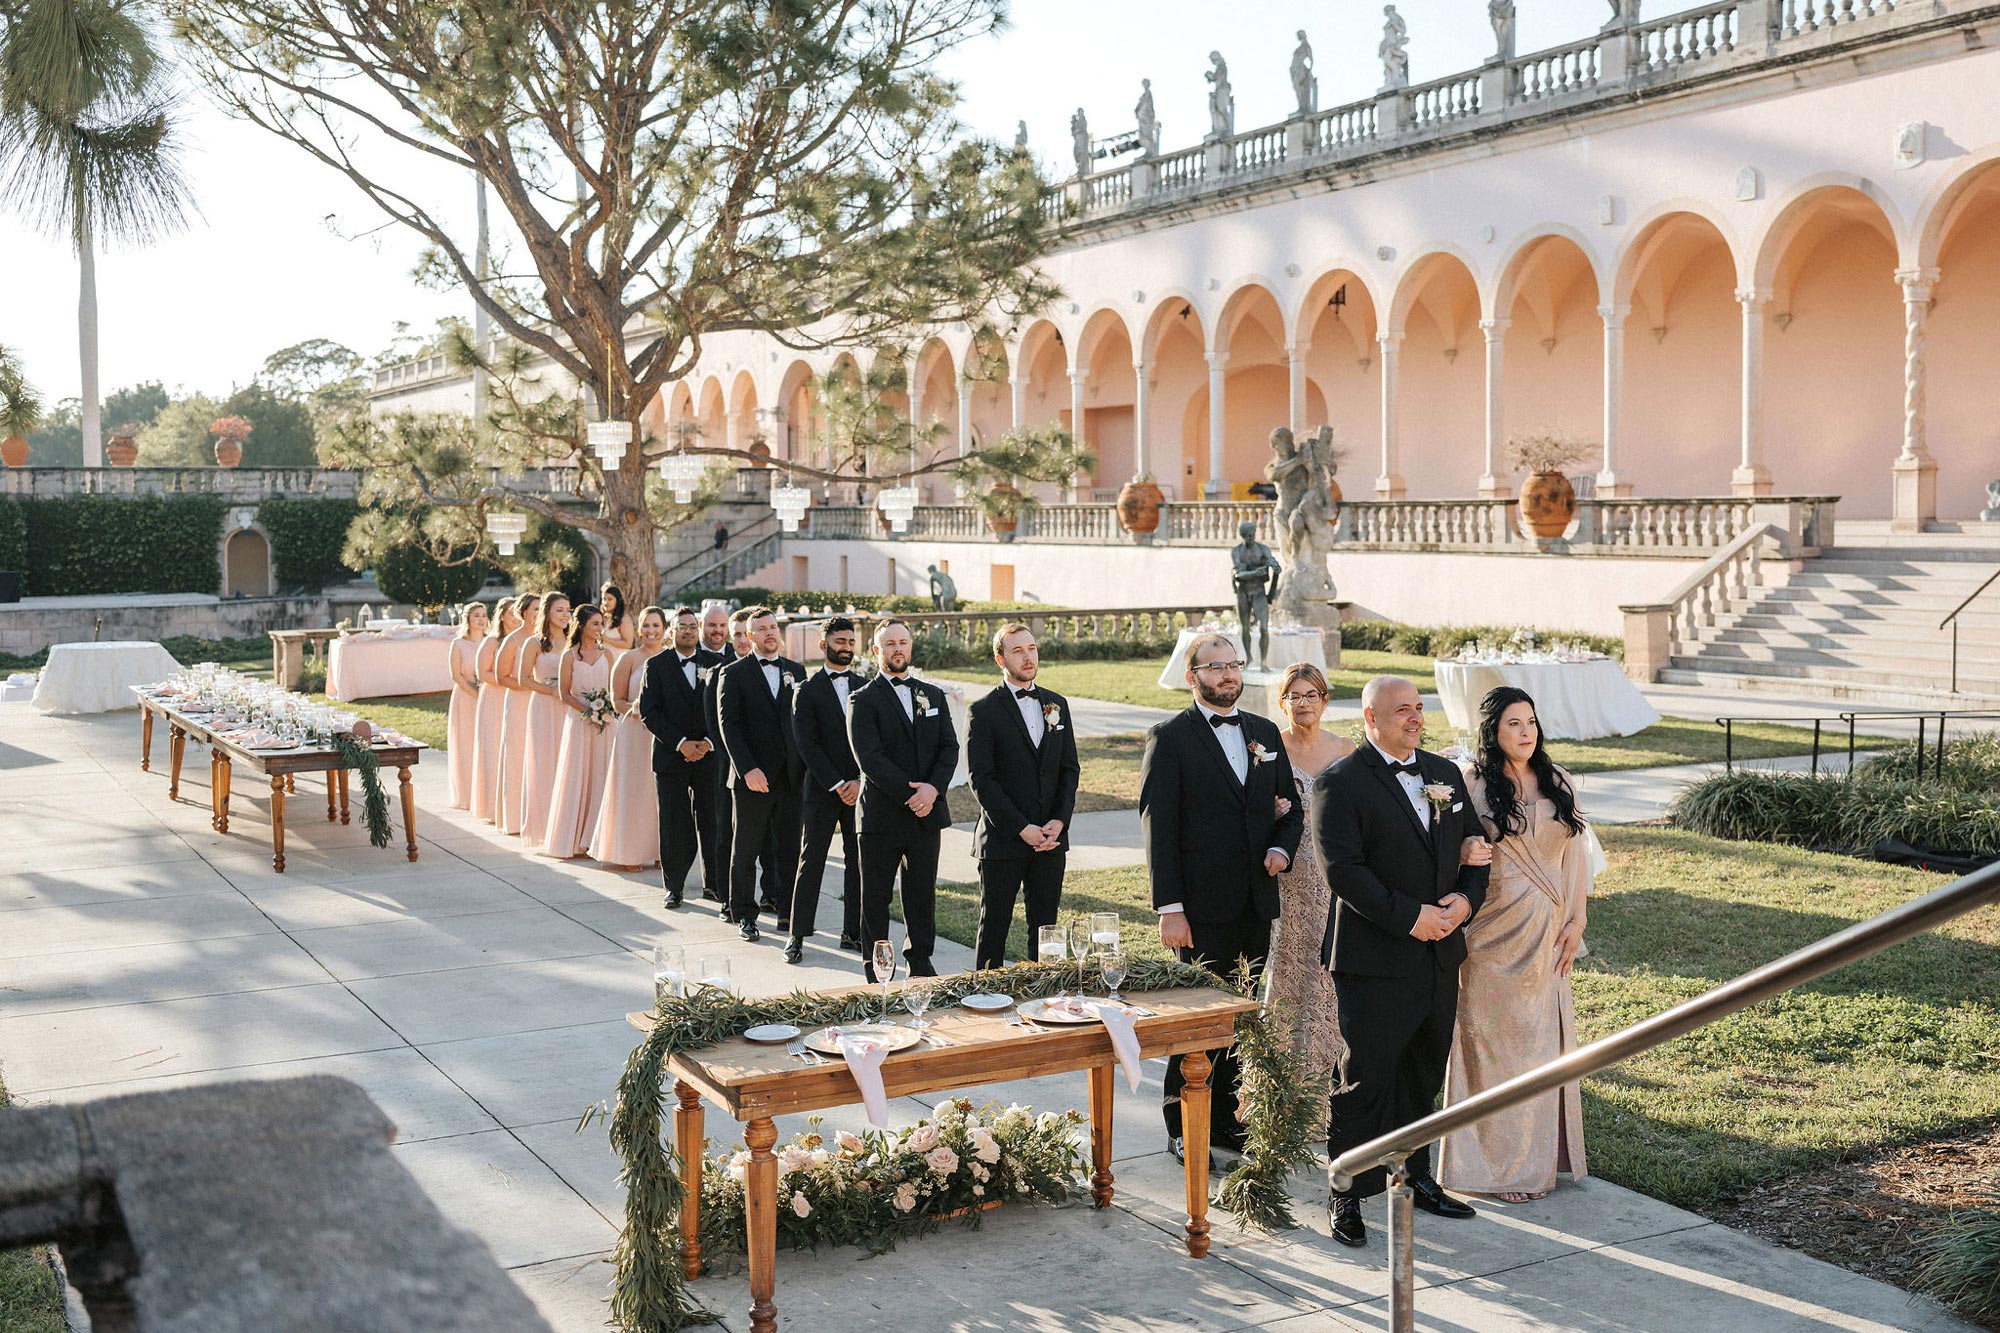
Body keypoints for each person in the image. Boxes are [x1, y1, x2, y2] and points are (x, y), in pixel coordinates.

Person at [1314, 675, 1492, 1249]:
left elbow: (1477, 849)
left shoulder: (1444, 774)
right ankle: (1347, 1190)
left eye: (1419, 708)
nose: (1415, 718)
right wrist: (1409, 916)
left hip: (1440, 953)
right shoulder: (1339, 782)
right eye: (1402, 711)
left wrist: (1465, 900)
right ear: (1370, 719)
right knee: (1364, 1076)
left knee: (1421, 1070)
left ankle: (1416, 1177)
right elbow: (1343, 871)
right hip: (1373, 954)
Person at [1140, 632, 1303, 1166]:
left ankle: (1228, 1121)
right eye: (1216, 667)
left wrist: (1281, 847)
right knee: (1194, 1022)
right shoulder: (1169, 737)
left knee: (1238, 1019)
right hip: (1198, 909)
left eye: (1234, 665)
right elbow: (1158, 828)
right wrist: (1171, 910)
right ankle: (1181, 1126)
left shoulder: (1262, 733)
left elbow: (1292, 810)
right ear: (1193, 677)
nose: (1229, 675)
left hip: (1255, 901)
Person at [1439, 686, 1591, 1203]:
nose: (1526, 733)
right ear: (1493, 731)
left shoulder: (1559, 780)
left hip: (1548, 928)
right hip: (1489, 932)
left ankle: (1533, 1159)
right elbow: (1449, 850)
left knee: (1537, 1043)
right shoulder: (1471, 783)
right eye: (1513, 725)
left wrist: (1577, 920)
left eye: (1531, 722)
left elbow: (1575, 857)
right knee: (1488, 1044)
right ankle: (1491, 1168)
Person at [848, 619, 958, 980]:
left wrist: (932, 790)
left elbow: (949, 747)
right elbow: (870, 757)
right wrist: (910, 795)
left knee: (922, 893)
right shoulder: (862, 700)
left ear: (911, 647)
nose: (898, 649)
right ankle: (876, 966)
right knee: (876, 896)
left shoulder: (933, 695)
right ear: (876, 651)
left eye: (903, 642)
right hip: (881, 815)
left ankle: (921, 961)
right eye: (889, 643)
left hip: (927, 814)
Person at [967, 622, 1080, 970]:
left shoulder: (1056, 704)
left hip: (1050, 839)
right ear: (1001, 659)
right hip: (1004, 840)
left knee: (1047, 931)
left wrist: (1058, 823)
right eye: (1017, 650)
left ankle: (1045, 1001)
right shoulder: (983, 710)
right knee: (994, 930)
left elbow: (1069, 770)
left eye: (1031, 648)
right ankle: (986, 1002)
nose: (1028, 656)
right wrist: (1021, 828)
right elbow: (981, 780)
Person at [1266, 663, 1356, 1085]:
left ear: (1325, 700)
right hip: (1286, 871)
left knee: (1330, 970)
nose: (1304, 704)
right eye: (1295, 696)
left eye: (1312, 695)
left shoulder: (1346, 749)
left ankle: (1329, 1081)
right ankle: (1277, 1084)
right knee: (1287, 968)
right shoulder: (1268, 748)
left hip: (1333, 871)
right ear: (1282, 702)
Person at [717, 606, 807, 941]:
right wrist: (747, 769)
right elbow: (730, 727)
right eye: (762, 629)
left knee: (788, 850)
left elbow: (804, 723)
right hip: (751, 778)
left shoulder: (796, 671)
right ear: (751, 636)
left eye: (773, 627)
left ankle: (788, 912)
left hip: (790, 778)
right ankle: (744, 914)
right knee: (746, 849)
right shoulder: (734, 674)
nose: (770, 633)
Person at [785, 616, 867, 964]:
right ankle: (797, 935)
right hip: (821, 789)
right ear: (824, 645)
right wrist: (837, 783)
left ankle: (854, 933)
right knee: (811, 860)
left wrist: (859, 780)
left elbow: (871, 740)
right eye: (840, 641)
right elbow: (807, 744)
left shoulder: (866, 686)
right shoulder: (807, 689)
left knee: (858, 862)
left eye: (850, 641)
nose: (846, 647)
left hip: (860, 789)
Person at [638, 606, 725, 909]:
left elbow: (724, 710)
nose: (687, 631)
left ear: (697, 629)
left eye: (692, 626)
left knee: (713, 821)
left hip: (709, 756)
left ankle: (715, 885)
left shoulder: (717, 663)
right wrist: (681, 743)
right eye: (681, 626)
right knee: (674, 823)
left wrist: (708, 742)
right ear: (671, 632)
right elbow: (649, 712)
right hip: (670, 757)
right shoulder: (656, 665)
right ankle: (673, 887)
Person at [589, 606, 670, 870]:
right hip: (634, 733)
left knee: (659, 793)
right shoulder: (629, 659)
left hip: (662, 735)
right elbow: (617, 700)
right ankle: (630, 853)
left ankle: (660, 850)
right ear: (639, 629)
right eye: (646, 625)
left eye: (656, 626)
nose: (651, 631)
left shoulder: (671, 660)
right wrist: (637, 710)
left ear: (665, 629)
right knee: (633, 790)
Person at [537, 603, 616, 858]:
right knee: (579, 775)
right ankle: (575, 838)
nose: (599, 628)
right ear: (581, 625)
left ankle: (601, 837)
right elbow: (564, 693)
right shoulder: (569, 656)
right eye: (595, 623)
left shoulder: (609, 655)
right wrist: (588, 711)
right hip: (580, 723)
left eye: (601, 623)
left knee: (603, 775)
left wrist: (604, 711)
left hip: (605, 725)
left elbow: (614, 690)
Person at [518, 595, 571, 850]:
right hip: (543, 707)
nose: (565, 615)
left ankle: (566, 826)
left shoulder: (574, 640)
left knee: (569, 764)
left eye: (568, 611)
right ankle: (544, 829)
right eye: (559, 610)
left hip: (570, 707)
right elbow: (523, 678)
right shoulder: (535, 643)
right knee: (545, 764)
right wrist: (549, 690)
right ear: (548, 612)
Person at [495, 592, 542, 835]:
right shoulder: (513, 640)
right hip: (518, 702)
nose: (538, 613)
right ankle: (514, 818)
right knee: (517, 756)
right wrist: (530, 684)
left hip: (543, 703)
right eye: (535, 609)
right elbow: (500, 676)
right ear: (524, 612)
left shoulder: (546, 639)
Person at [469, 595, 515, 824]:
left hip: (516, 696)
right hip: (495, 697)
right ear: (502, 616)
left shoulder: (523, 641)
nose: (515, 617)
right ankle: (490, 807)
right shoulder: (492, 642)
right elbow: (482, 673)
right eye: (511, 613)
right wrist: (507, 680)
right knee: (493, 747)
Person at [446, 602, 488, 810]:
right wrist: (476, 694)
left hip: (488, 698)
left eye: (483, 615)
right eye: (476, 616)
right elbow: (456, 675)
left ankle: (485, 794)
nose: (481, 620)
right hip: (465, 698)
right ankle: (466, 794)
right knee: (466, 743)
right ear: (468, 620)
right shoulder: (458, 644)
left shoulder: (491, 643)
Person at [598, 582, 634, 652]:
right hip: (603, 659)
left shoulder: (624, 619)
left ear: (617, 601)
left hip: (618, 659)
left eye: (610, 599)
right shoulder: (600, 617)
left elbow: (628, 644)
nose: (606, 602)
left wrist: (605, 639)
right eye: (604, 599)